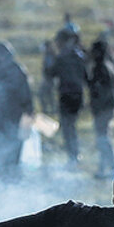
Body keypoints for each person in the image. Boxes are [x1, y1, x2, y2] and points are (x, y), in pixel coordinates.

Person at [0, 41, 33, 181]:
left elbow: (26, 97)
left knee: (12, 151)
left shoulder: (16, 72)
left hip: (12, 119)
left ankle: (11, 178)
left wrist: (28, 114)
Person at [87, 39, 114, 178]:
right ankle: (103, 167)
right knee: (102, 137)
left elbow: (100, 90)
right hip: (107, 106)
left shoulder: (101, 68)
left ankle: (111, 166)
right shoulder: (108, 66)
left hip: (104, 107)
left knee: (103, 137)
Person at [51, 29, 85, 165]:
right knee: (71, 125)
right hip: (78, 94)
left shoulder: (62, 57)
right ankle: (75, 153)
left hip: (66, 94)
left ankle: (73, 155)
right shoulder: (79, 55)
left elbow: (51, 73)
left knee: (67, 126)